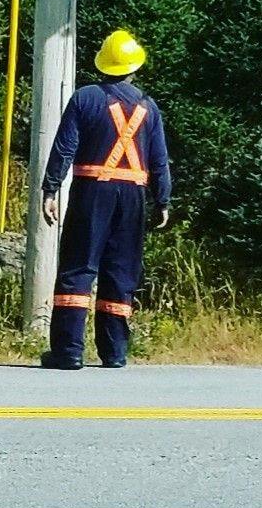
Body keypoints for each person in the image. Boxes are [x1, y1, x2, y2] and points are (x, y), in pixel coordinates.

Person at [40, 29, 171, 371]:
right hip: (133, 195)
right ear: (133, 67)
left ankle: (68, 351)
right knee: (121, 270)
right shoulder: (148, 106)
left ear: (102, 65)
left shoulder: (85, 98)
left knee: (78, 267)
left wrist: (51, 188)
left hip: (91, 192)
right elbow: (159, 159)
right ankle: (114, 352)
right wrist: (163, 200)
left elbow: (64, 147)